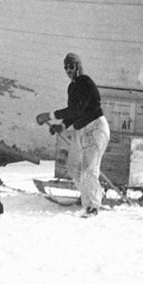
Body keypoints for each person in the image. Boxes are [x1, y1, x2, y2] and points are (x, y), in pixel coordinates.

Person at [35, 52, 110, 217]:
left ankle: (92, 206)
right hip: (81, 130)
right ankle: (90, 197)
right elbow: (73, 114)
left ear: (78, 66)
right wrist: (61, 126)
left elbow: (78, 109)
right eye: (66, 67)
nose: (68, 70)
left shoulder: (85, 82)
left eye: (71, 66)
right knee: (73, 166)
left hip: (95, 128)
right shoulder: (72, 87)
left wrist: (49, 115)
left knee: (89, 169)